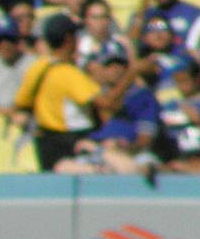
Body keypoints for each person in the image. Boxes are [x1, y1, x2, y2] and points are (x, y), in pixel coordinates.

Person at [13, 14, 128, 171]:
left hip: (45, 146)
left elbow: (21, 102)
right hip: (72, 144)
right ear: (68, 40)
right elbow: (107, 103)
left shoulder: (37, 67)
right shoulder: (69, 73)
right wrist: (132, 73)